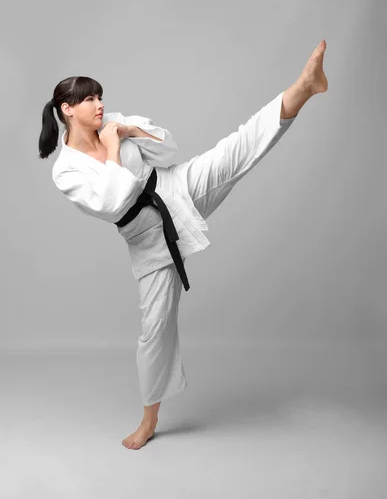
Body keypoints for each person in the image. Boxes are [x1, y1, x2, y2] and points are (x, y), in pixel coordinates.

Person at [38, 39, 328, 450]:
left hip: (177, 187)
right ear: (67, 109)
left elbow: (168, 147)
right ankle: (149, 420)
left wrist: (131, 130)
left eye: (100, 96)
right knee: (155, 331)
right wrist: (115, 148)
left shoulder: (114, 121)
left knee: (236, 148)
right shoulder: (66, 169)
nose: (99, 104)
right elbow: (113, 202)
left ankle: (304, 87)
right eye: (88, 99)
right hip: (147, 236)